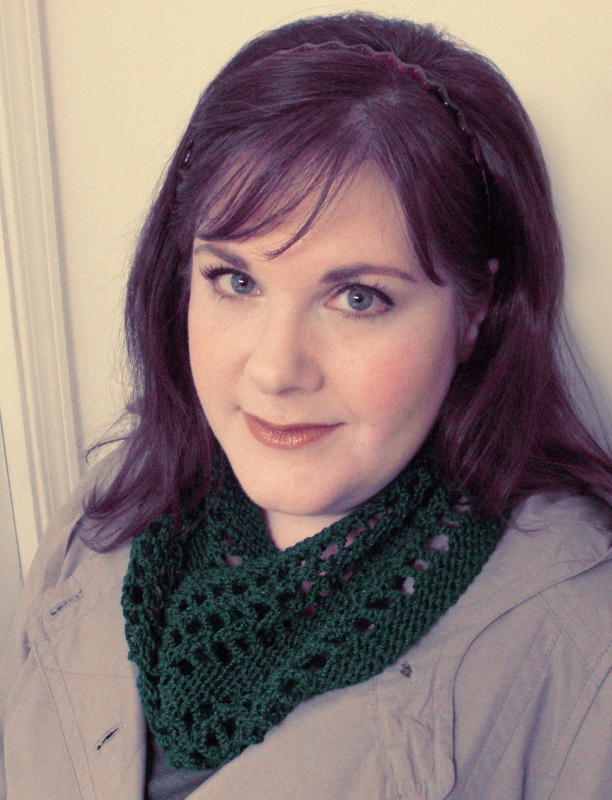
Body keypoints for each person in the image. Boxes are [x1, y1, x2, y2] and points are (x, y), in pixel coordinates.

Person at [1, 10, 612, 800]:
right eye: (237, 281)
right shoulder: (103, 515)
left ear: (475, 312)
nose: (275, 369)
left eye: (358, 297)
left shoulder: (581, 643)